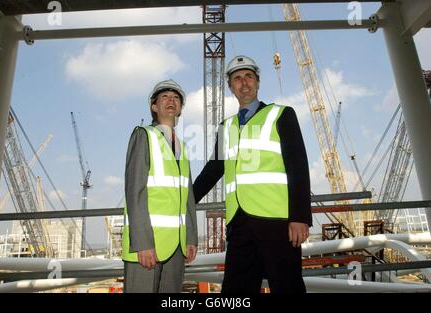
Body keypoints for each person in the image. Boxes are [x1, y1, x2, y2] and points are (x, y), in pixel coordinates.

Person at [194, 55, 312, 293]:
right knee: (235, 291)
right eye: (237, 78)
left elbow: (298, 166)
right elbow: (213, 169)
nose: (244, 82)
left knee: (287, 286)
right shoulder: (226, 127)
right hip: (239, 224)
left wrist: (300, 217)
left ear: (258, 83)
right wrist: (185, 200)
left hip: (277, 222)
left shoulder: (281, 115)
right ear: (230, 87)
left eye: (249, 76)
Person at [122, 79, 197, 293]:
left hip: (176, 248)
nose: (171, 100)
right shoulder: (143, 135)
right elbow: (135, 192)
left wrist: (190, 237)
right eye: (164, 96)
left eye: (176, 98)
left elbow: (187, 198)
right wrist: (143, 242)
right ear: (154, 107)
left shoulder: (182, 147)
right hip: (147, 246)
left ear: (180, 108)